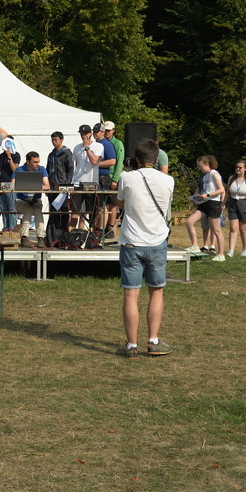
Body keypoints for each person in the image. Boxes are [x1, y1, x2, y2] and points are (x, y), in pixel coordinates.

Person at [115, 139, 176, 358]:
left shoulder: (126, 177)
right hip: (157, 242)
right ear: (157, 158)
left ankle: (131, 345)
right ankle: (153, 341)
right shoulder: (168, 180)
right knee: (156, 291)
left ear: (137, 159)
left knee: (131, 295)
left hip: (132, 241)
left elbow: (121, 204)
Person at [185, 155, 225, 261]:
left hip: (214, 203)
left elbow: (221, 190)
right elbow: (200, 189)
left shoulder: (214, 174)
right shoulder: (204, 176)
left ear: (207, 164)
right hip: (204, 203)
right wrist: (193, 201)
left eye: (201, 166)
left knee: (216, 230)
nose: (200, 169)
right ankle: (195, 245)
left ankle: (221, 254)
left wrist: (207, 195)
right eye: (198, 167)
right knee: (189, 222)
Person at [71, 124, 104, 230]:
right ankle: (72, 232)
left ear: (91, 133)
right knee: (75, 210)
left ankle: (92, 231)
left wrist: (87, 148)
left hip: (91, 182)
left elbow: (94, 161)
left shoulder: (98, 146)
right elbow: (77, 164)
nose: (83, 136)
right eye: (81, 134)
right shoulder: (77, 147)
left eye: (85, 133)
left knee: (92, 210)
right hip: (78, 182)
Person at [14, 151, 50, 248]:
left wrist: (38, 187)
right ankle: (24, 237)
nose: (37, 164)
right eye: (35, 162)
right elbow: (12, 184)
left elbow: (47, 185)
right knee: (28, 210)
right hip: (22, 200)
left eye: (38, 161)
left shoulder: (42, 169)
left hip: (36, 200)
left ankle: (41, 237)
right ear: (28, 162)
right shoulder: (19, 170)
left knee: (38, 211)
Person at [45, 131, 75, 244]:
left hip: (62, 187)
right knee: (53, 211)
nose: (54, 142)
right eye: (52, 140)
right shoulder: (51, 154)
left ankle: (64, 235)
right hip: (53, 186)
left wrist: (66, 185)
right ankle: (53, 236)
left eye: (56, 140)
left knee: (64, 211)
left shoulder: (67, 153)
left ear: (62, 140)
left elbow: (70, 170)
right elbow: (47, 170)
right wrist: (47, 185)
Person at [225, 160, 246, 257]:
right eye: (236, 167)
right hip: (233, 203)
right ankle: (231, 250)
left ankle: (245, 250)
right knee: (233, 228)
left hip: (245, 202)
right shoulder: (231, 178)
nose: (238, 169)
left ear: (245, 169)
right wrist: (223, 203)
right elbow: (228, 193)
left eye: (240, 167)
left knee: (243, 229)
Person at [0, 136, 21, 232]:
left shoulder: (16, 155)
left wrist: (9, 157)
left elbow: (15, 170)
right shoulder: (1, 156)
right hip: (1, 183)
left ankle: (12, 228)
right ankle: (6, 227)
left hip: (10, 182)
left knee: (11, 207)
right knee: (3, 208)